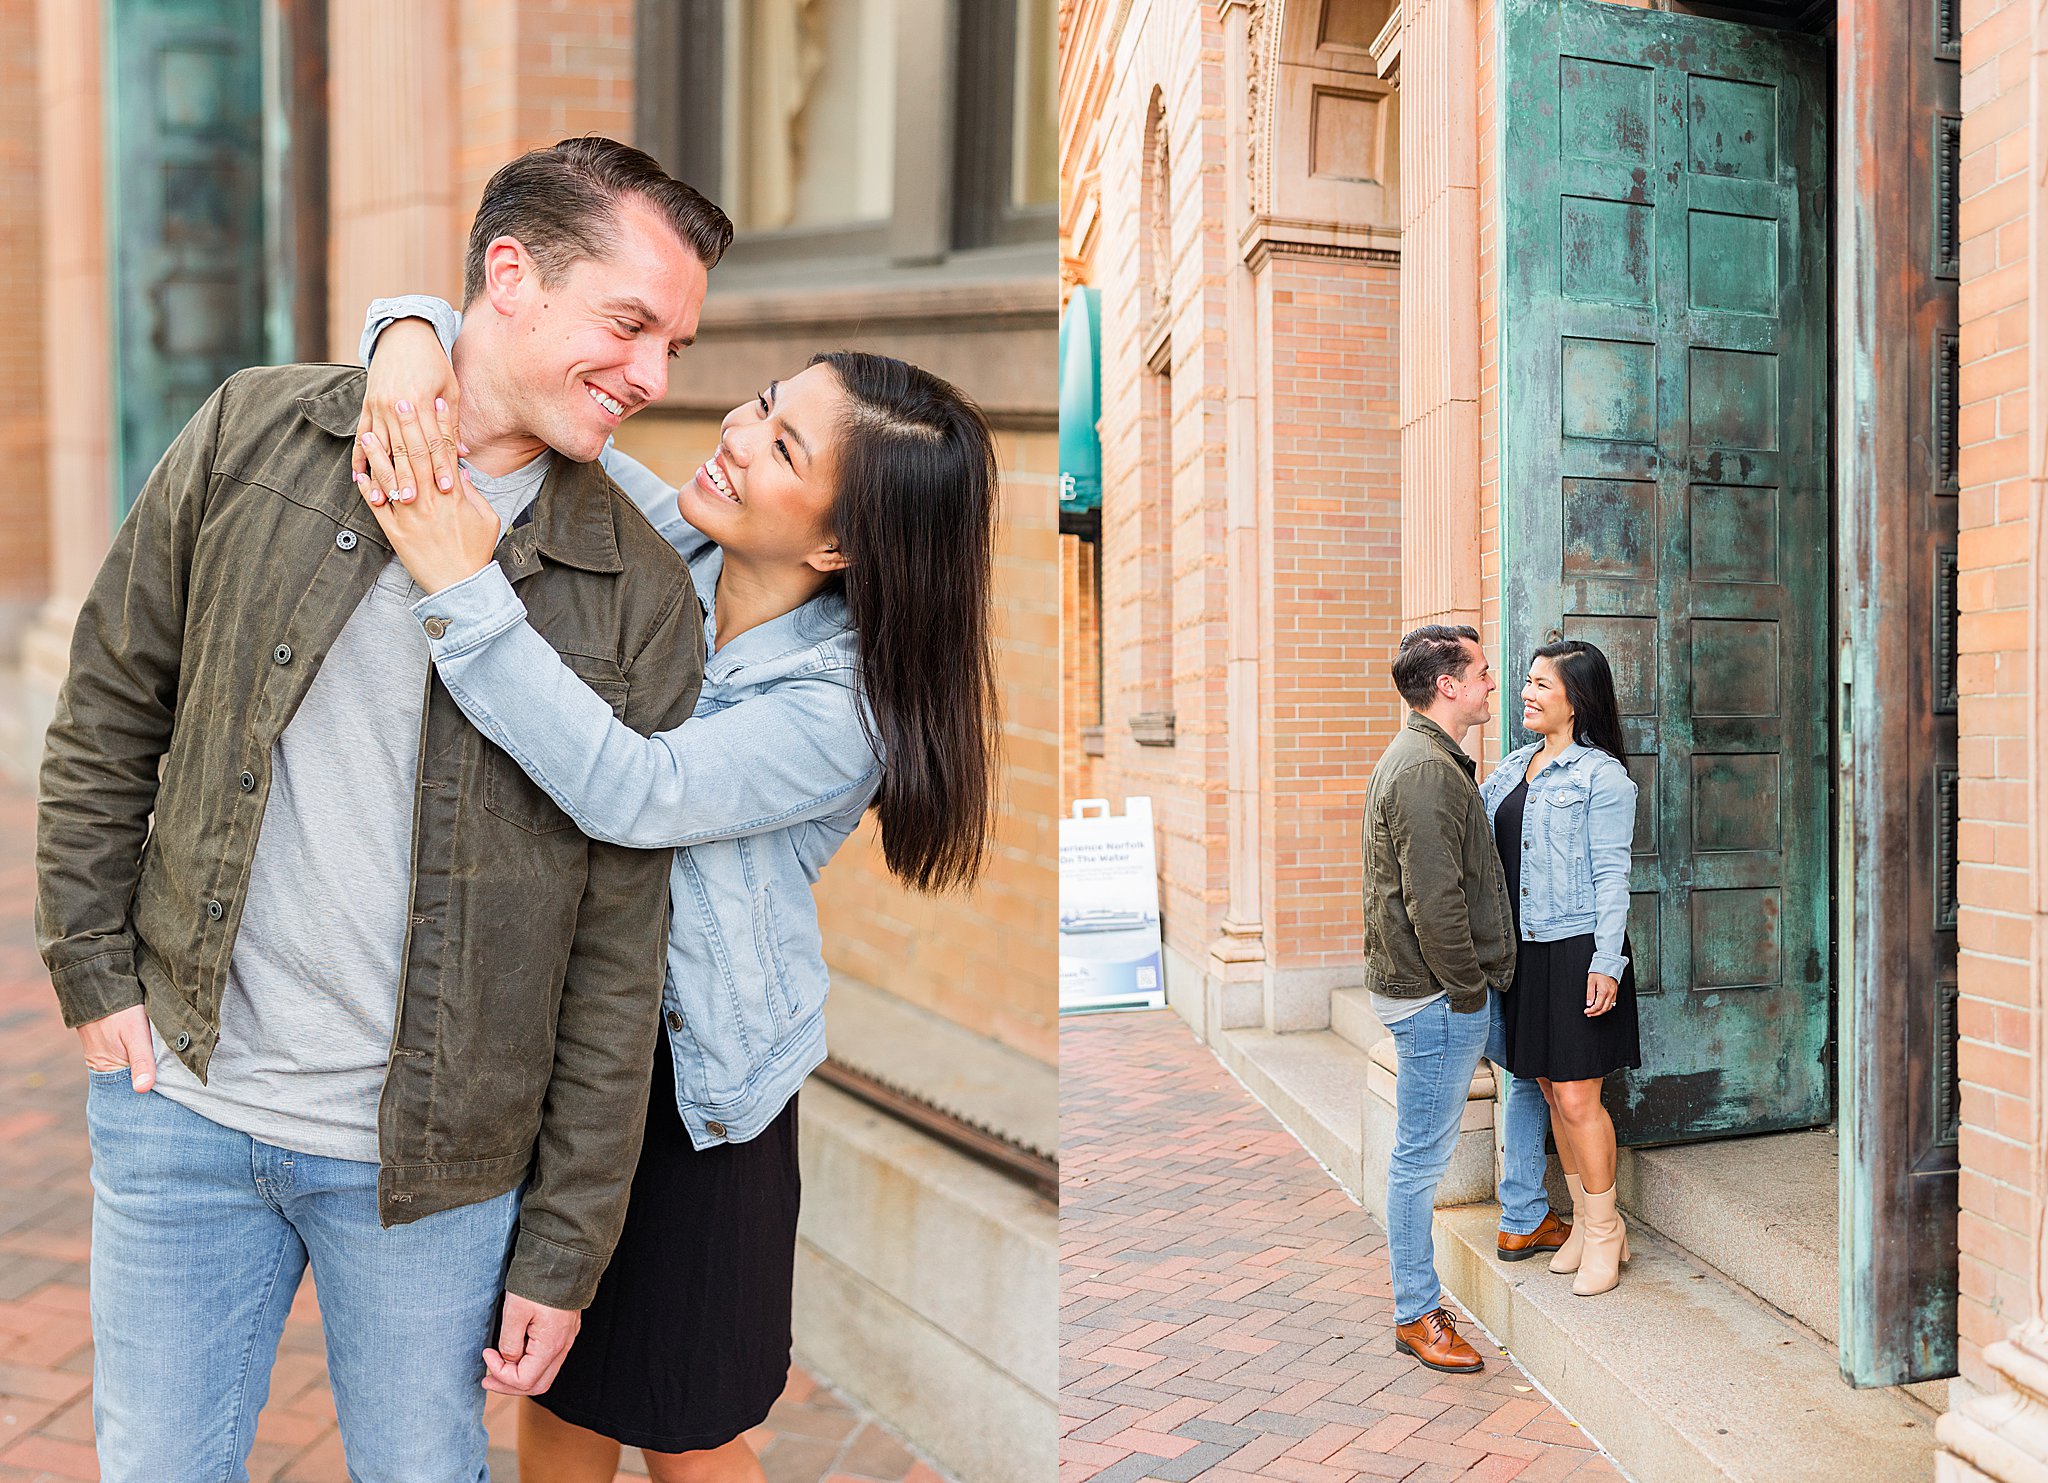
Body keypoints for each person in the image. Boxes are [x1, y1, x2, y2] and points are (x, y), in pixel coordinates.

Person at [35, 137, 727, 1481]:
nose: (652, 376)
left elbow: (616, 949)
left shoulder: (636, 590)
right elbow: (111, 704)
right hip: (181, 1098)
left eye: (677, 348)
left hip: (437, 1166)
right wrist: (90, 963)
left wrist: (566, 1243)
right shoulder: (257, 432)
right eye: (632, 323)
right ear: (512, 277)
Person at [351, 293, 999, 1480]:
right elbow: (510, 370)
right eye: (762, 405)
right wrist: (404, 340)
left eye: (784, 446)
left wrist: (466, 593)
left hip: (695, 1096)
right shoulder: (676, 549)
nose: (737, 436)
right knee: (555, 1385)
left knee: (688, 1430)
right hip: (575, 1054)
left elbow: (631, 789)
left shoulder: (834, 710)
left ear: (837, 545)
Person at [1361, 624, 1568, 1375]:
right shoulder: (1423, 770)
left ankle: (1523, 1213)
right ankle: (1416, 1312)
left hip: (1448, 992)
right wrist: (1466, 991)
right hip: (1437, 1001)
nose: (1493, 683)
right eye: (1480, 671)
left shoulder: (1436, 759)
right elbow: (1434, 903)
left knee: (1534, 1067)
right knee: (1419, 1159)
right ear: (1446, 685)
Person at [1478, 640, 1641, 1297]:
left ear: (1577, 697)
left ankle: (1605, 1230)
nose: (1527, 692)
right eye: (1527, 681)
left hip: (1578, 949)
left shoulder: (1603, 778)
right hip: (1526, 950)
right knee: (1549, 1089)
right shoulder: (1514, 766)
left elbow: (1612, 875)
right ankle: (1586, 1220)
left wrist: (1607, 962)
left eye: (1542, 684)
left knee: (1579, 1096)